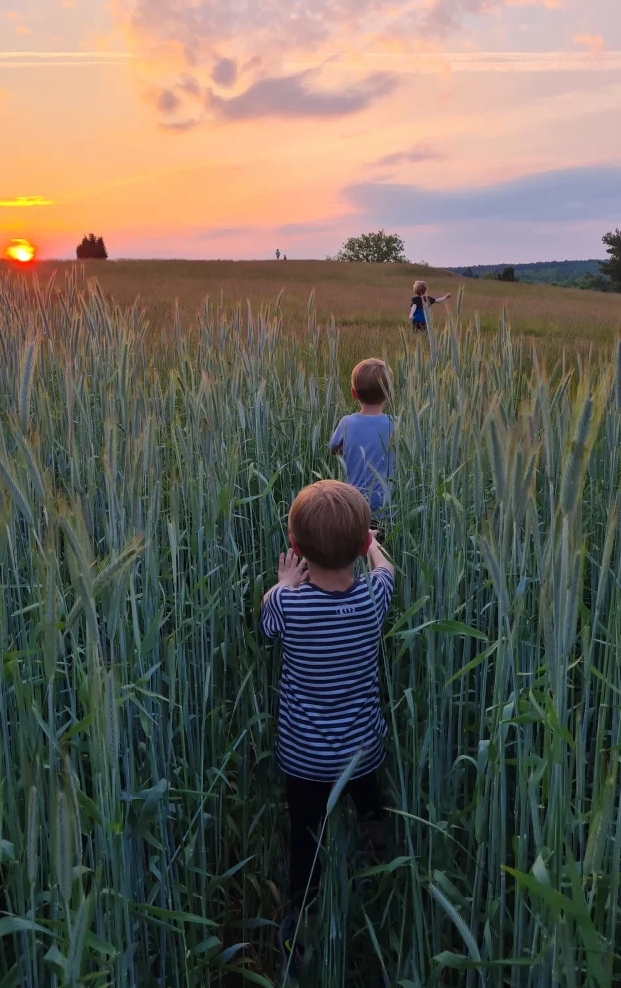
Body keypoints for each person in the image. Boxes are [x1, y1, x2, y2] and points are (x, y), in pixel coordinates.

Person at [260, 480, 394, 981]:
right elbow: (387, 572)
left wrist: (283, 582)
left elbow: (265, 626)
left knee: (303, 833)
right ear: (360, 547)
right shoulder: (373, 602)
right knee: (370, 802)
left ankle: (300, 909)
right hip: (362, 751)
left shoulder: (288, 607)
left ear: (295, 550)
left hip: (304, 758)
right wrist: (375, 547)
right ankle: (379, 849)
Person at [330, 358, 394, 530]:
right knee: (381, 549)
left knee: (357, 548)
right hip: (386, 505)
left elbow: (334, 449)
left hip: (354, 504)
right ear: (389, 394)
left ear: (353, 392)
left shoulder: (346, 422)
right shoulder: (396, 424)